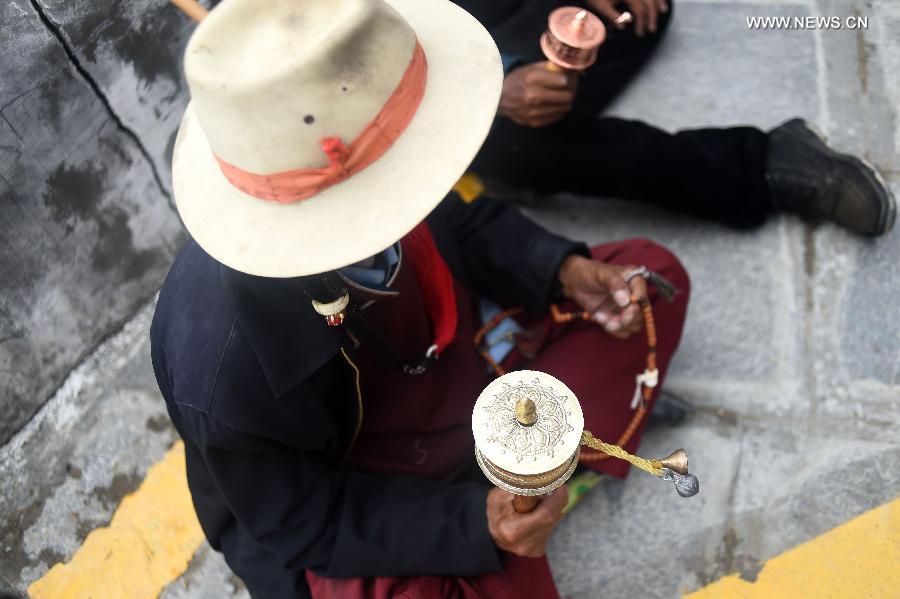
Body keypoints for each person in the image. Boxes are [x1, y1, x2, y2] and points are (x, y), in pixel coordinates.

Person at [151, 0, 689, 597]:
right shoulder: (219, 363)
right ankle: (519, 499)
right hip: (366, 487)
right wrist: (474, 523)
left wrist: (562, 270)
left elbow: (462, 224)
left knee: (646, 282)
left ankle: (537, 476)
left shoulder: (384, 156)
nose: (417, 180)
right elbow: (305, 523)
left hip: (464, 384)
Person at [453, 0, 896, 237]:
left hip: (463, 18)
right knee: (522, 143)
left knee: (636, 13)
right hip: (423, 92)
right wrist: (494, 86)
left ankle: (522, 135)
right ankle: (761, 165)